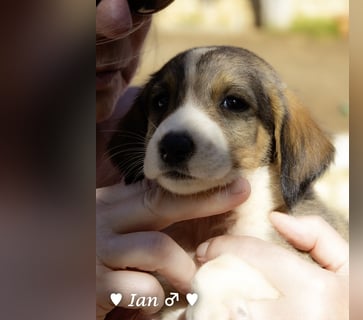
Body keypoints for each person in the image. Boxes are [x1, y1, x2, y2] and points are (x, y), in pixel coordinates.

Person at [96, 1, 349, 319]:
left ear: (276, 135)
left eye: (233, 103)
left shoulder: (307, 237)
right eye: (162, 101)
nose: (175, 133)